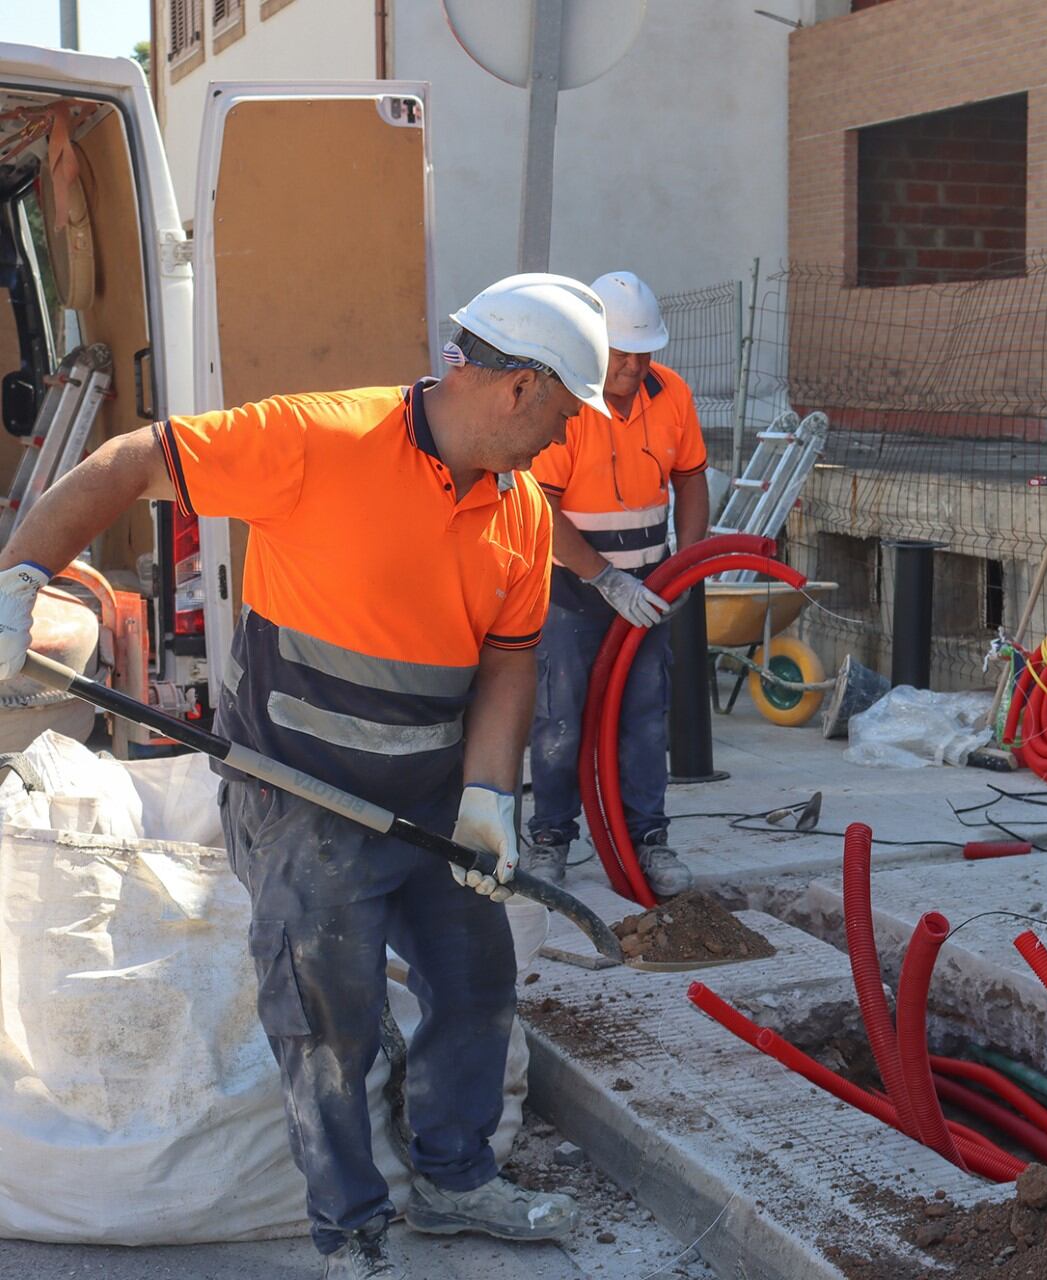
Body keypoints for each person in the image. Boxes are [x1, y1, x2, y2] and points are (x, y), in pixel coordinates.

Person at [0, 274, 610, 1280]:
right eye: (564, 412)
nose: (564, 438)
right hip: (302, 798)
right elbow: (127, 460)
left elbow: (508, 658)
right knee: (330, 1011)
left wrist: (488, 796)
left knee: (477, 979)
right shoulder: (325, 440)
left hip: (426, 798)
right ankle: (353, 1227)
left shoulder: (523, 512)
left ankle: (455, 1182)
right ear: (518, 387)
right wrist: (23, 573)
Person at [525, 272, 708, 893]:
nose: (633, 365)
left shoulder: (673, 395)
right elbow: (540, 509)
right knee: (559, 720)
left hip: (649, 584)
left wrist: (689, 561)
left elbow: (691, 478)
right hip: (573, 590)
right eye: (621, 353)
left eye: (643, 352)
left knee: (644, 719)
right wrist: (604, 579)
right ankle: (550, 839)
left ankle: (647, 840)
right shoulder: (568, 403)